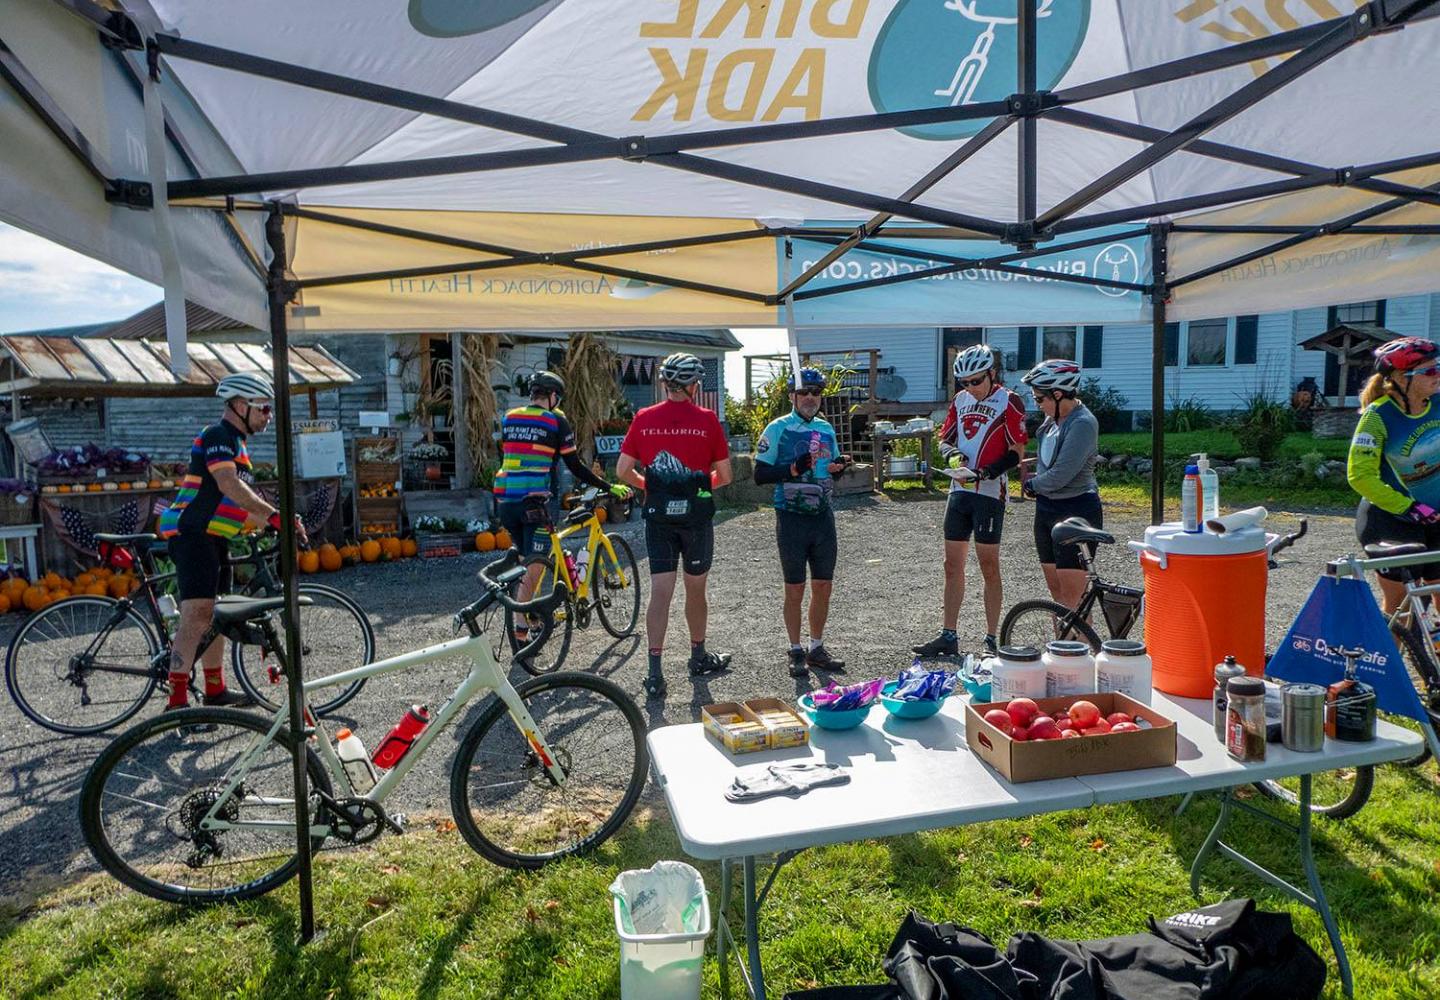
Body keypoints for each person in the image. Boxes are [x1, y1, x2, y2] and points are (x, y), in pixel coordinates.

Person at [156, 372, 306, 710]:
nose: (268, 416)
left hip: (214, 538)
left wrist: (281, 523)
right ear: (240, 405)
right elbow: (227, 485)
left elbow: (235, 503)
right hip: (193, 534)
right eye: (264, 408)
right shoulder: (217, 435)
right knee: (196, 614)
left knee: (215, 616)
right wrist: (273, 516)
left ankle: (215, 690)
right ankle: (176, 702)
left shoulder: (238, 446)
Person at [493, 371, 633, 661]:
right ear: (553, 396)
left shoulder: (510, 417)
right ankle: (522, 632)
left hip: (506, 501)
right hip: (536, 503)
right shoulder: (556, 420)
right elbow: (575, 465)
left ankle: (528, 617)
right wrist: (608, 486)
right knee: (534, 568)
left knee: (525, 562)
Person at [616, 352, 733, 698]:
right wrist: (695, 487)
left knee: (660, 593)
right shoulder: (707, 419)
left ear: (666, 383)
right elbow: (725, 476)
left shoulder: (644, 418)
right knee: (696, 589)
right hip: (695, 520)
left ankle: (655, 674)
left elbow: (623, 470)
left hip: (659, 519)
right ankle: (697, 656)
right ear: (693, 385)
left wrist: (653, 487)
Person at [912, 344, 1026, 658]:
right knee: (952, 565)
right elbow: (945, 439)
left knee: (989, 566)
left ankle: (992, 639)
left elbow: (1017, 453)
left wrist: (986, 472)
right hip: (959, 490)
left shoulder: (1009, 400)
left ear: (991, 374)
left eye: (976, 381)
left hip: (990, 491)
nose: (970, 388)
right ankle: (948, 635)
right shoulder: (960, 401)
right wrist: (954, 459)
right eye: (964, 383)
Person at [754, 367, 852, 678]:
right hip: (791, 516)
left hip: (822, 517)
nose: (810, 397)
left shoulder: (826, 429)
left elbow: (829, 466)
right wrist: (791, 470)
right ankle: (795, 648)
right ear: (792, 396)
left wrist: (838, 467)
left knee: (823, 585)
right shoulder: (777, 428)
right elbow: (760, 475)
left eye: (816, 392)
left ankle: (816, 647)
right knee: (795, 588)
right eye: (804, 392)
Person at [1348, 336, 1440, 613]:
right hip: (1392, 519)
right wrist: (1409, 507)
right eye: (1429, 371)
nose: (1437, 376)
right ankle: (1391, 657)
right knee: (1399, 606)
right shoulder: (1377, 417)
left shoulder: (1437, 404)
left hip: (1434, 516)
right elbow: (1360, 476)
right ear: (1402, 378)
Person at [1020, 359, 1102, 610]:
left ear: (1058, 394)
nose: (1037, 404)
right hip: (1047, 510)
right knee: (1057, 598)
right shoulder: (1051, 421)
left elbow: (1061, 474)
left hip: (1076, 509)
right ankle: (1061, 650)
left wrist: (1032, 485)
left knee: (1073, 600)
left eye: (1039, 399)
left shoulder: (1082, 423)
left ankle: (1081, 649)